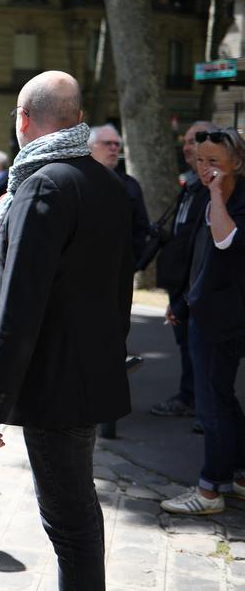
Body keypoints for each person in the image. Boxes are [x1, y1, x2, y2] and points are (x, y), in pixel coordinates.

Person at [0, 71, 132, 590]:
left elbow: (21, 305)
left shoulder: (43, 184)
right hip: (86, 374)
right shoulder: (105, 180)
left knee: (69, 520)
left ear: (22, 119)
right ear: (78, 120)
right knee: (77, 513)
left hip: (54, 383)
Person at [160, 128, 245, 515]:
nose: (204, 168)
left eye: (214, 162)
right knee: (221, 399)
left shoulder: (234, 197)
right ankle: (236, 475)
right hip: (202, 308)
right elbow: (196, 255)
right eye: (200, 160)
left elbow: (227, 242)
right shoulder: (200, 193)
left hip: (224, 318)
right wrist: (182, 299)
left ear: (237, 165)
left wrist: (216, 193)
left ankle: (210, 490)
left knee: (212, 405)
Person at [151, 121, 215, 420]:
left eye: (197, 140)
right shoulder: (190, 185)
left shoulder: (212, 189)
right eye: (187, 141)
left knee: (202, 354)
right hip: (182, 284)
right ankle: (193, 401)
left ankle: (205, 411)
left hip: (198, 288)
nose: (189, 147)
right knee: (189, 350)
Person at [89, 124, 151, 267]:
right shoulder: (76, 179)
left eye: (117, 144)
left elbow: (141, 228)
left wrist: (130, 262)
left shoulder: (130, 185)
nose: (114, 148)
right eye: (107, 143)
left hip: (120, 266)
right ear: (90, 147)